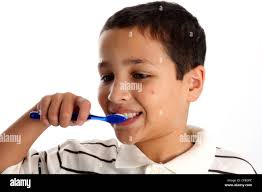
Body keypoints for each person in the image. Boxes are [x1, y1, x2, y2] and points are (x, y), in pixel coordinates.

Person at [0, 1, 257, 174]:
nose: (115, 94)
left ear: (193, 84)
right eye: (107, 76)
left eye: (140, 74)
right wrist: (39, 116)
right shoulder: (73, 160)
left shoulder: (238, 171)